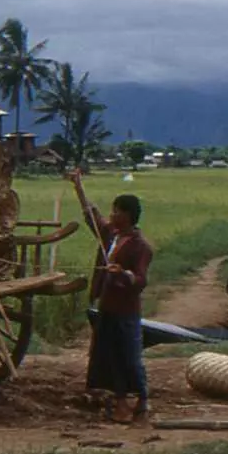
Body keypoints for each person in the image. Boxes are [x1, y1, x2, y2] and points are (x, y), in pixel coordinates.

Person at [68, 169, 152, 423]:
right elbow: (91, 216)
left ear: (127, 216)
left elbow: (140, 280)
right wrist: (78, 186)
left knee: (129, 356)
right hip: (108, 305)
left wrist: (123, 274)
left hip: (126, 309)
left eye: (116, 211)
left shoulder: (141, 246)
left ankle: (142, 401)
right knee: (110, 356)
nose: (112, 214)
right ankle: (121, 403)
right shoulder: (110, 235)